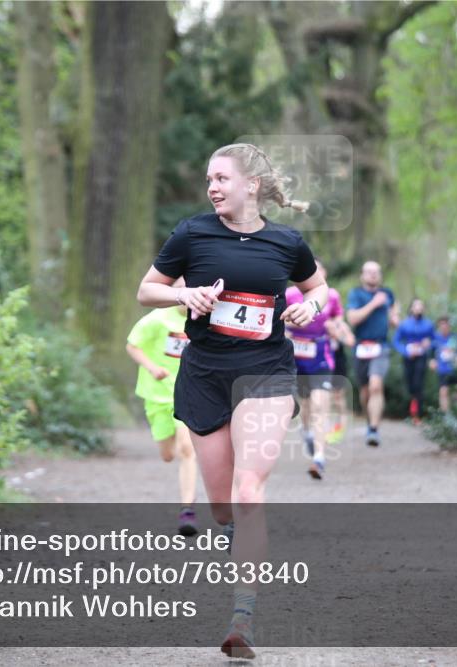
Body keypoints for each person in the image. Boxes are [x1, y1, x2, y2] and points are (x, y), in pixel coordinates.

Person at [136, 143, 326, 660]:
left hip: (265, 373)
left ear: (251, 185)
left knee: (247, 491)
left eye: (221, 178)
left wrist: (309, 307)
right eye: (208, 180)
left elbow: (318, 286)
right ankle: (234, 533)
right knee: (223, 506)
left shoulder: (286, 242)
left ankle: (243, 616)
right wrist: (184, 295)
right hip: (205, 376)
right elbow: (147, 290)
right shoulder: (192, 234)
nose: (212, 187)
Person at [125, 281, 199, 536]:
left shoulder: (202, 322)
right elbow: (132, 345)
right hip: (158, 395)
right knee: (168, 454)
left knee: (187, 449)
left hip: (189, 394)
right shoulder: (157, 319)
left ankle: (187, 509)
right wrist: (152, 368)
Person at [285, 258, 344, 480]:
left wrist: (336, 327)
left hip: (321, 354)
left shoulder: (332, 295)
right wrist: (288, 327)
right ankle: (306, 430)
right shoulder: (290, 294)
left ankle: (319, 457)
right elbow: (277, 320)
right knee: (306, 403)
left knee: (320, 404)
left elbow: (338, 318)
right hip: (297, 354)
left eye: (319, 269)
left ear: (325, 273)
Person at [346, 261, 399, 447]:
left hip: (380, 346)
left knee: (376, 386)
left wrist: (395, 319)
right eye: (369, 272)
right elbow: (352, 319)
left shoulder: (388, 294)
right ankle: (370, 421)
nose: (373, 275)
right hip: (361, 346)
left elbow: (394, 316)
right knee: (365, 391)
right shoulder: (356, 294)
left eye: (376, 272)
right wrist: (374, 304)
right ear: (362, 275)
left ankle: (374, 430)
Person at [393, 298, 434, 425]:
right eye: (416, 305)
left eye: (421, 305)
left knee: (418, 384)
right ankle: (411, 411)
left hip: (421, 357)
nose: (419, 308)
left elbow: (434, 340)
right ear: (411, 308)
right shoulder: (404, 324)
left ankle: (417, 415)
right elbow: (396, 341)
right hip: (408, 358)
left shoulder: (428, 324)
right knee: (410, 385)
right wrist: (406, 351)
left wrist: (428, 344)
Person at [326, 305, 356, 444]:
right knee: (325, 397)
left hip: (338, 363)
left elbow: (351, 341)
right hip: (322, 362)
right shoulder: (319, 321)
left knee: (338, 397)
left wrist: (338, 336)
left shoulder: (340, 324)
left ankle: (340, 428)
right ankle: (326, 429)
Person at [429, 316, 457, 413]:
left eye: (446, 324)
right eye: (441, 324)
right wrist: (431, 361)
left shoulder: (456, 337)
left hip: (455, 369)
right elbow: (430, 353)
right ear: (439, 326)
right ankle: (445, 415)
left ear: (449, 325)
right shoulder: (435, 338)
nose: (444, 326)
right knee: (443, 391)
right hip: (442, 369)